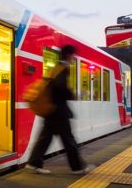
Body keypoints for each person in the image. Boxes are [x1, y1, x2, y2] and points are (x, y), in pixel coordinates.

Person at [26, 44, 96, 175]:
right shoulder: (63, 68)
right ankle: (78, 167)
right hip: (58, 111)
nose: (74, 57)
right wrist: (72, 95)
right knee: (68, 140)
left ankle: (34, 163)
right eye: (74, 55)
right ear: (69, 55)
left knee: (45, 138)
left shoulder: (54, 68)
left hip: (51, 110)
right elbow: (59, 87)